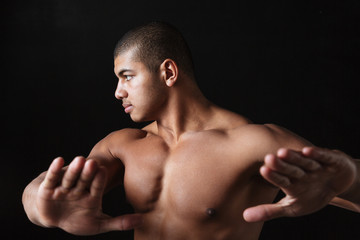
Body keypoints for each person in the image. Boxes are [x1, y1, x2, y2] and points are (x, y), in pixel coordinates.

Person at [22, 21, 360, 240]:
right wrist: (39, 207)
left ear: (168, 72)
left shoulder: (252, 142)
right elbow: (49, 194)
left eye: (126, 77)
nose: (117, 92)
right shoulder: (122, 145)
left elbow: (342, 185)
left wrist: (347, 179)